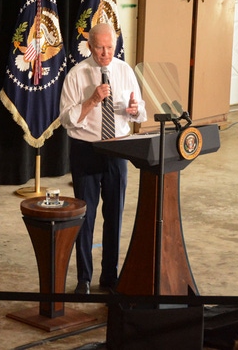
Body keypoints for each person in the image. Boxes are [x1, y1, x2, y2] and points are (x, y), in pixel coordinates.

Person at [60, 22, 146, 294]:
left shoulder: (124, 71)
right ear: (90, 46)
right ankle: (84, 278)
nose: (106, 53)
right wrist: (91, 101)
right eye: (100, 47)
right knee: (85, 217)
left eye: (110, 47)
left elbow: (139, 111)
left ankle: (110, 276)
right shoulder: (76, 75)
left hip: (118, 149)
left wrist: (134, 110)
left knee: (115, 215)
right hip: (87, 150)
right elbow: (67, 120)